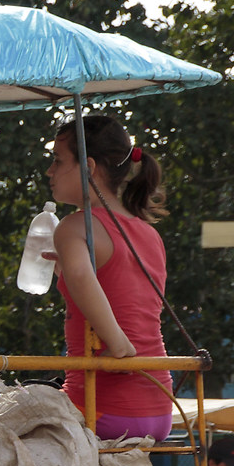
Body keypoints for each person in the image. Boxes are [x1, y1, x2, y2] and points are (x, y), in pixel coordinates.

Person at [37, 115, 172, 440]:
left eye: (57, 161)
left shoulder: (74, 226)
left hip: (104, 408)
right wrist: (65, 271)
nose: (49, 172)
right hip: (161, 407)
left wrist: (120, 346)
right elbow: (121, 292)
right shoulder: (149, 234)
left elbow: (84, 278)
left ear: (89, 168)